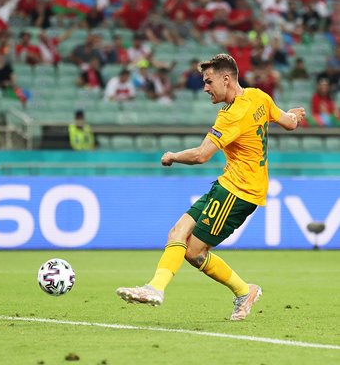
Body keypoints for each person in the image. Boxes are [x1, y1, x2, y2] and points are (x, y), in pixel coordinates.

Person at [116, 54, 306, 321]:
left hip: (239, 192)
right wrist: (294, 116)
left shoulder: (231, 116)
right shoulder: (258, 96)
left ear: (226, 78)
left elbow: (201, 155)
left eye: (208, 81)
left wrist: (172, 155)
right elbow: (288, 122)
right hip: (227, 184)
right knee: (178, 232)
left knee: (194, 252)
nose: (205, 87)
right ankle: (155, 288)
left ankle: (244, 291)